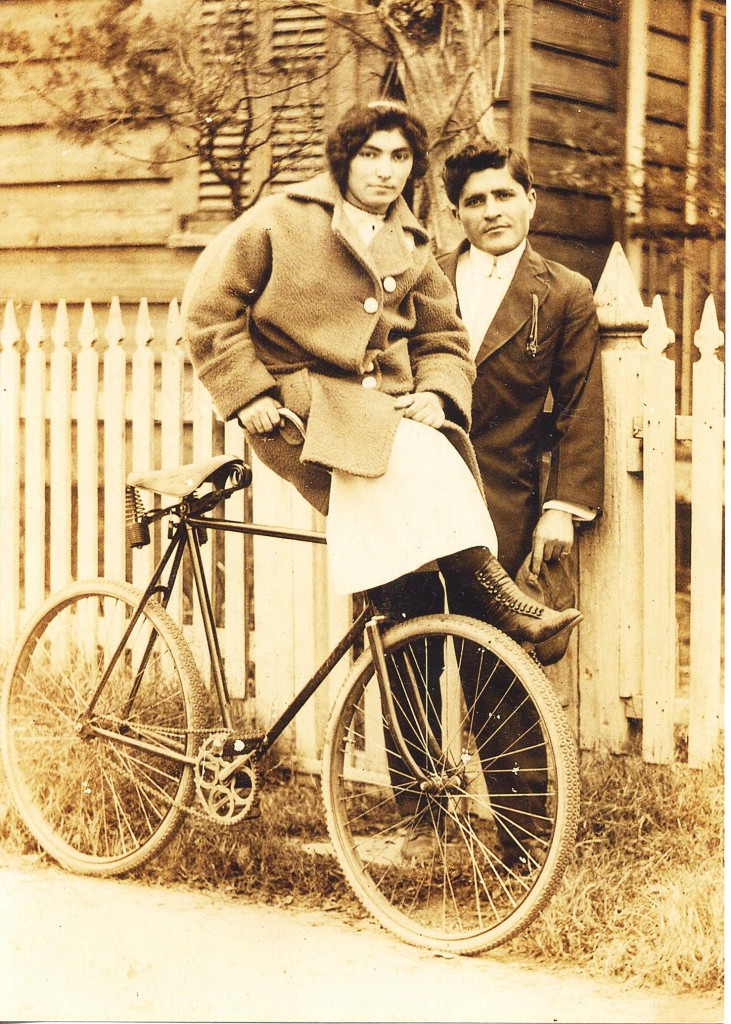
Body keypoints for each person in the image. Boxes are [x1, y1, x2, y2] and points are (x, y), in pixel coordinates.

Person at [183, 102, 583, 865]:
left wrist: (435, 393)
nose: (384, 170)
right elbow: (207, 309)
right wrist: (247, 392)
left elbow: (441, 336)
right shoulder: (279, 219)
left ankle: (483, 617)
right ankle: (500, 597)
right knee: (405, 454)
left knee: (428, 446)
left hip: (377, 415)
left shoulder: (412, 240)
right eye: (370, 154)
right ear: (343, 159)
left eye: (400, 157)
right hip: (297, 408)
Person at [438, 141, 604, 587]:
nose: (492, 211)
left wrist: (560, 509)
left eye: (504, 195)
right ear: (456, 214)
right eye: (475, 201)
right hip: (419, 495)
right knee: (407, 647)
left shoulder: (566, 292)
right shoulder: (426, 280)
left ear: (530, 200)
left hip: (505, 508)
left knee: (491, 653)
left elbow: (579, 406)